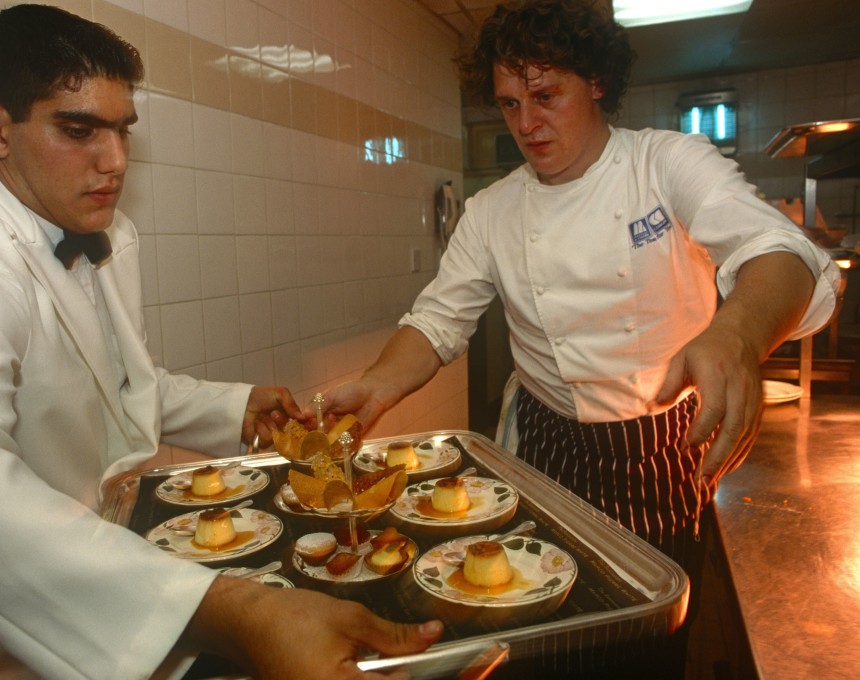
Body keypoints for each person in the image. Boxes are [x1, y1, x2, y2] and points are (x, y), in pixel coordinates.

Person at [0, 5, 442, 679]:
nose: (114, 161)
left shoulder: (107, 234)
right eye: (78, 130)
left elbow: (122, 386)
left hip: (108, 579)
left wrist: (237, 407)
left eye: (123, 130)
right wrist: (233, 610)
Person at [315, 0, 840, 675]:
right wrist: (377, 386)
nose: (526, 124)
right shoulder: (493, 210)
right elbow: (438, 320)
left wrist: (736, 334)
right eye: (510, 104)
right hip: (548, 448)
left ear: (594, 81)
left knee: (648, 639)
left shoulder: (664, 162)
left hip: (661, 446)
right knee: (543, 630)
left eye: (545, 96)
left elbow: (779, 253)